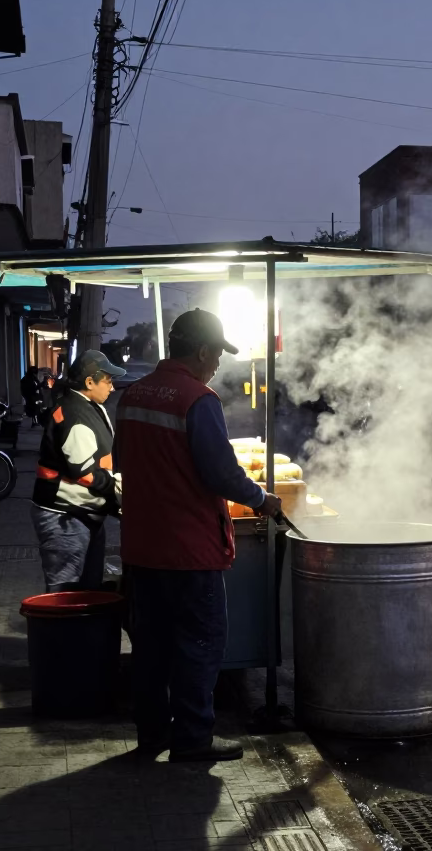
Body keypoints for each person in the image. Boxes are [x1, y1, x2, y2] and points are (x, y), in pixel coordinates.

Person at [116, 309, 282, 762]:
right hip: (189, 551)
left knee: (151, 648)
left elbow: (123, 458)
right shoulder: (197, 399)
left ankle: (152, 735)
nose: (218, 366)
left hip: (142, 547)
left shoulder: (133, 395)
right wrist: (262, 498)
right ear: (203, 351)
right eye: (218, 356)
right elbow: (220, 474)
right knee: (199, 645)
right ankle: (191, 740)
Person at [31, 350, 125, 593]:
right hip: (66, 517)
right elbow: (85, 473)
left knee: (88, 588)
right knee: (66, 592)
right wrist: (118, 488)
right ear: (90, 381)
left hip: (82, 515)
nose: (112, 388)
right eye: (108, 381)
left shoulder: (88, 406)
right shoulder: (75, 414)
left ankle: (81, 632)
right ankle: (61, 632)